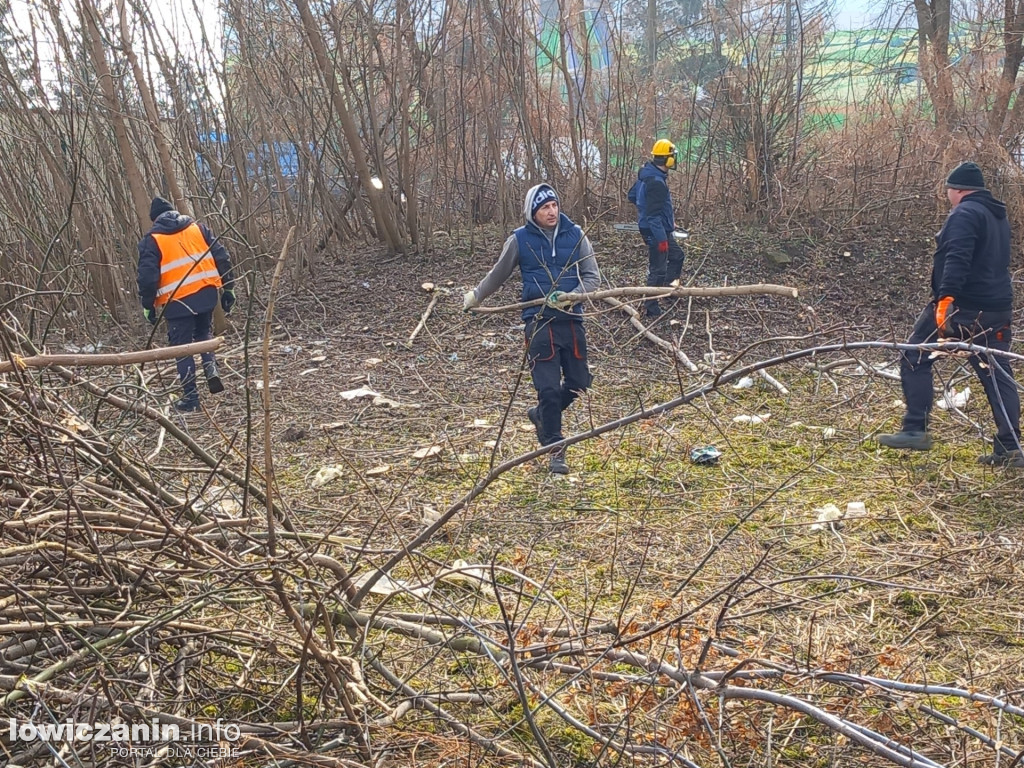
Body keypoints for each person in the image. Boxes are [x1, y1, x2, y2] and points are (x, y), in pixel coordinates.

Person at [877, 162, 1022, 466]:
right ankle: (1010, 447)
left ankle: (915, 429)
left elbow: (957, 256)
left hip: (965, 307)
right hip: (997, 307)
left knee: (914, 356)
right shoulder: (997, 215)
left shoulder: (965, 213)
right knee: (996, 372)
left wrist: (945, 300)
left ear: (956, 190)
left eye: (948, 192)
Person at [463, 184, 600, 474]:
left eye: (554, 205)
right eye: (544, 208)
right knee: (548, 389)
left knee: (580, 383)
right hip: (538, 323)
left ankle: (540, 416)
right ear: (532, 213)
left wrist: (572, 296)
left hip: (571, 320)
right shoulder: (519, 240)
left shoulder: (575, 235)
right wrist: (476, 296)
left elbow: (592, 276)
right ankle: (555, 448)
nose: (551, 212)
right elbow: (498, 274)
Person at [138, 196, 236, 413]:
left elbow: (147, 278)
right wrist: (228, 287)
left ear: (155, 220)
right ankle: (211, 369)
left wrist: (148, 305)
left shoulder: (152, 240)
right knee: (203, 335)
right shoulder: (198, 229)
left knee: (182, 349)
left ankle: (191, 398)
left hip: (177, 302)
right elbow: (222, 256)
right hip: (206, 293)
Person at [630, 139, 685, 317]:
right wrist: (661, 240)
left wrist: (667, 220)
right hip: (655, 231)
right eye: (672, 157)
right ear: (667, 159)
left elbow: (633, 196)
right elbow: (652, 215)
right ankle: (651, 307)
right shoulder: (656, 182)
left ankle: (668, 290)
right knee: (658, 268)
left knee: (677, 256)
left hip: (659, 227)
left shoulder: (648, 174)